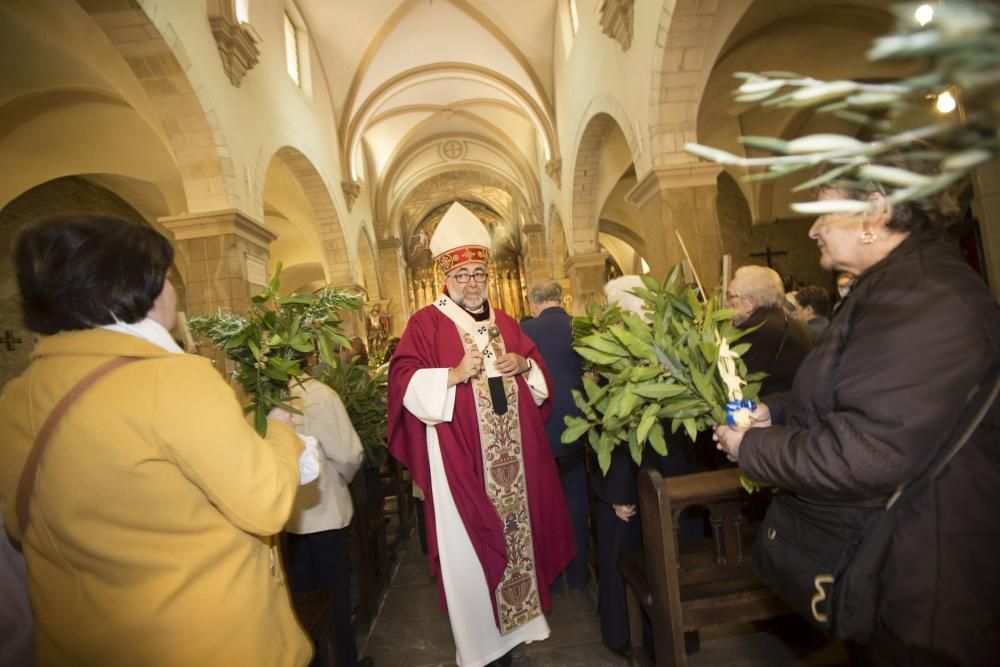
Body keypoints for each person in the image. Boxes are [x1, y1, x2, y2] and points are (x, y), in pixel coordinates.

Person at [714, 168, 1000, 665]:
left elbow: (868, 451)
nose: (812, 228)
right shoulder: (891, 287)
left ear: (874, 213)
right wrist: (772, 412)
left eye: (823, 211)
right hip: (900, 557)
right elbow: (855, 391)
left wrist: (752, 448)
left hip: (928, 570)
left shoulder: (920, 298)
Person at [0, 215, 311, 665]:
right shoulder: (172, 380)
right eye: (166, 278)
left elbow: (18, 525)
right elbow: (267, 501)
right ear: (137, 288)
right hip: (205, 645)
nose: (173, 292)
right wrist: (282, 432)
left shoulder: (16, 397)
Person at [387, 202, 573, 667]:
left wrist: (525, 363)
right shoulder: (425, 324)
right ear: (445, 278)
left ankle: (519, 625)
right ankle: (480, 646)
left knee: (518, 542)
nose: (471, 282)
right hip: (460, 465)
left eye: (477, 273)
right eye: (462, 275)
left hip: (514, 467)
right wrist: (450, 374)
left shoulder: (506, 323)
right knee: (469, 554)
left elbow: (538, 380)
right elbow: (403, 381)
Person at [285, 366, 366, 667]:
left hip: (284, 517)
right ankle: (343, 659)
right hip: (325, 513)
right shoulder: (318, 395)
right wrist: (342, 480)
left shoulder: (259, 396)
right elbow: (348, 454)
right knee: (333, 600)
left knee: (300, 602)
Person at [520, 281, 590, 594]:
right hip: (578, 426)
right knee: (576, 500)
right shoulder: (579, 327)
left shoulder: (526, 332)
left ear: (533, 303)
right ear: (560, 299)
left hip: (540, 427)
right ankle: (579, 575)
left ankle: (551, 580)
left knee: (544, 503)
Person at [725, 265, 813, 395]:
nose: (725, 304)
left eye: (730, 297)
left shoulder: (754, 332)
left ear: (750, 303)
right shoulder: (800, 327)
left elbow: (735, 387)